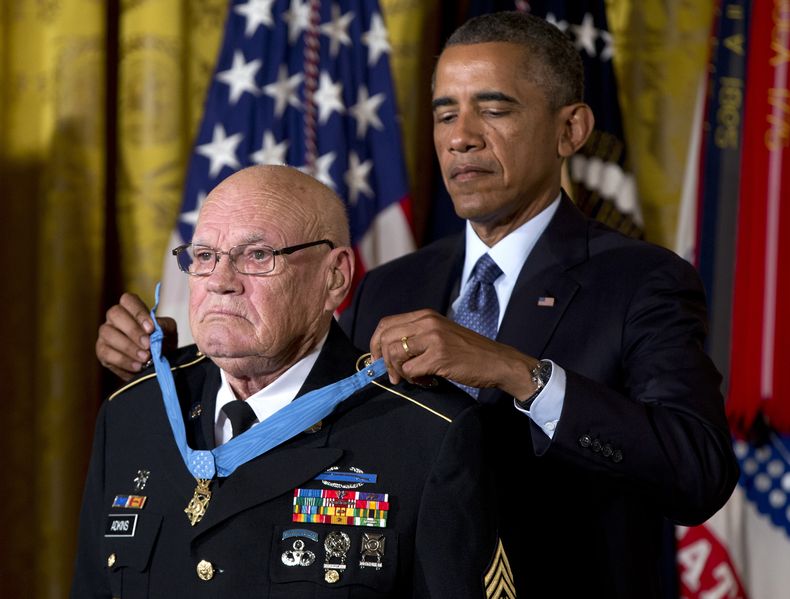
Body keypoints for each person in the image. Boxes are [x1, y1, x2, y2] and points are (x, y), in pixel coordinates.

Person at [94, 12, 739, 598]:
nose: (462, 138)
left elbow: (699, 473)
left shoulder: (642, 281)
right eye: (444, 114)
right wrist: (178, 368)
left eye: (494, 110)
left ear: (570, 129)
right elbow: (303, 413)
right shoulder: (391, 284)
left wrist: (518, 373)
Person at [72, 165, 504, 598]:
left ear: (334, 277)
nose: (220, 282)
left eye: (257, 255)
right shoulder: (133, 413)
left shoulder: (425, 433)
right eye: (203, 256)